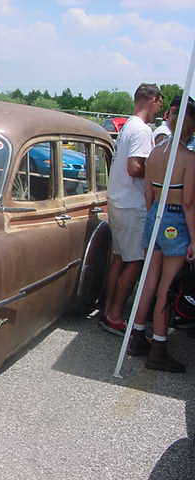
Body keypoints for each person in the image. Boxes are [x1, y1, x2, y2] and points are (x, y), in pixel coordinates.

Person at [127, 95, 195, 372]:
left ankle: (136, 335)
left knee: (149, 281)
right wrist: (194, 239)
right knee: (167, 286)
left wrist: (155, 215)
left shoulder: (156, 152)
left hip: (154, 214)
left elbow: (148, 193)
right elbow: (189, 203)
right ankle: (158, 346)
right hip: (176, 219)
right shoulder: (189, 158)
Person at [101, 83, 163, 335]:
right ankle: (115, 314)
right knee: (135, 261)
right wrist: (159, 171)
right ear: (153, 100)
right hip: (132, 203)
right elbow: (135, 167)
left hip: (119, 199)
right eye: (160, 102)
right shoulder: (142, 130)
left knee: (119, 259)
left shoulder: (128, 125)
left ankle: (108, 309)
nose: (159, 108)